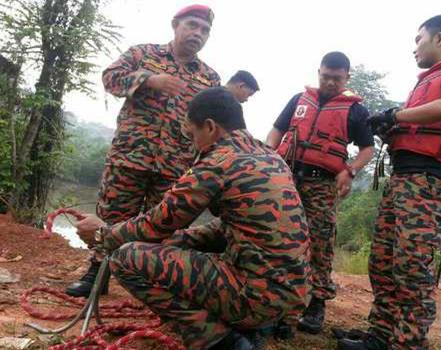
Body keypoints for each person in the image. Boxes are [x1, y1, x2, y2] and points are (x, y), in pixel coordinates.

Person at [72, 87, 310, 349]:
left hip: (256, 297)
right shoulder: (271, 158)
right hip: (290, 297)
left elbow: (155, 224)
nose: (192, 143)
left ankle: (218, 340)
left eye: (192, 134)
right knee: (173, 246)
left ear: (209, 127)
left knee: (126, 258)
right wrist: (180, 239)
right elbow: (229, 227)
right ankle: (251, 325)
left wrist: (102, 234)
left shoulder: (218, 162)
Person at [337, 14, 441, 350]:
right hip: (403, 180)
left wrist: (395, 115)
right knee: (382, 262)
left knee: (411, 268)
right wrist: (391, 128)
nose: (414, 48)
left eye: (418, 39)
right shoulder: (426, 82)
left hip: (431, 183)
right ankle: (380, 336)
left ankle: (407, 342)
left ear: (440, 38)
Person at [65, 4, 221, 298]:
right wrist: (147, 80)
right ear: (176, 25)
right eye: (192, 25)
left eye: (204, 30)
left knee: (160, 228)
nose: (198, 33)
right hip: (130, 157)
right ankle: (97, 274)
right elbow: (110, 77)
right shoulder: (143, 54)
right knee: (112, 216)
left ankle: (150, 285)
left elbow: (214, 123)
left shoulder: (209, 78)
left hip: (175, 165)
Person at [266, 52, 375, 335]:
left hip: (322, 185)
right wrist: (269, 157)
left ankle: (316, 304)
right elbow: (276, 131)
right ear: (319, 72)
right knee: (278, 237)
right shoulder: (298, 100)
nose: (329, 82)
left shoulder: (355, 110)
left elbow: (367, 149)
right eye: (325, 76)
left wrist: (349, 171)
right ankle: (275, 302)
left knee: (320, 243)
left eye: (336, 79)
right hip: (286, 179)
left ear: (346, 78)